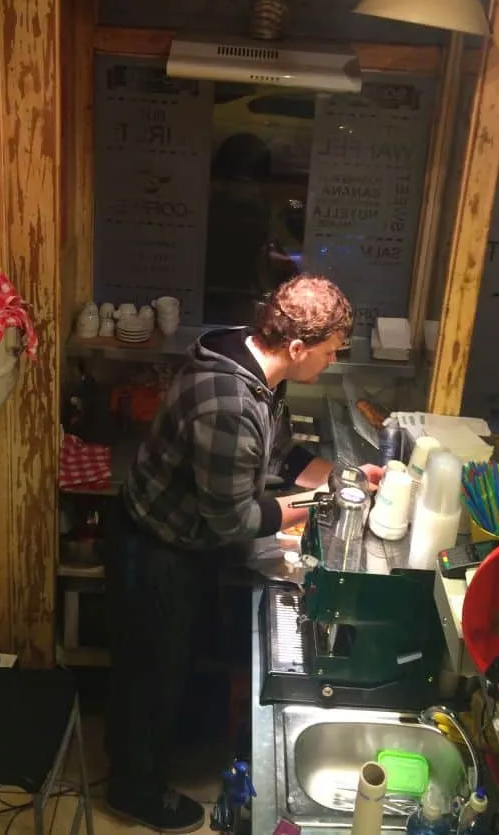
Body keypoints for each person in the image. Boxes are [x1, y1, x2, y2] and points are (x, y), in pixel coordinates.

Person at [103, 274, 381, 832]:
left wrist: (344, 478)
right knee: (151, 675)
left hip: (183, 540)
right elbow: (233, 520)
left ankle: (162, 749)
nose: (332, 362)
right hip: (157, 549)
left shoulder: (253, 365)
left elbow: (278, 451)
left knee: (171, 664)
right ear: (297, 347)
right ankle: (133, 791)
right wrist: (321, 502)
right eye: (329, 352)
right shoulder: (228, 404)